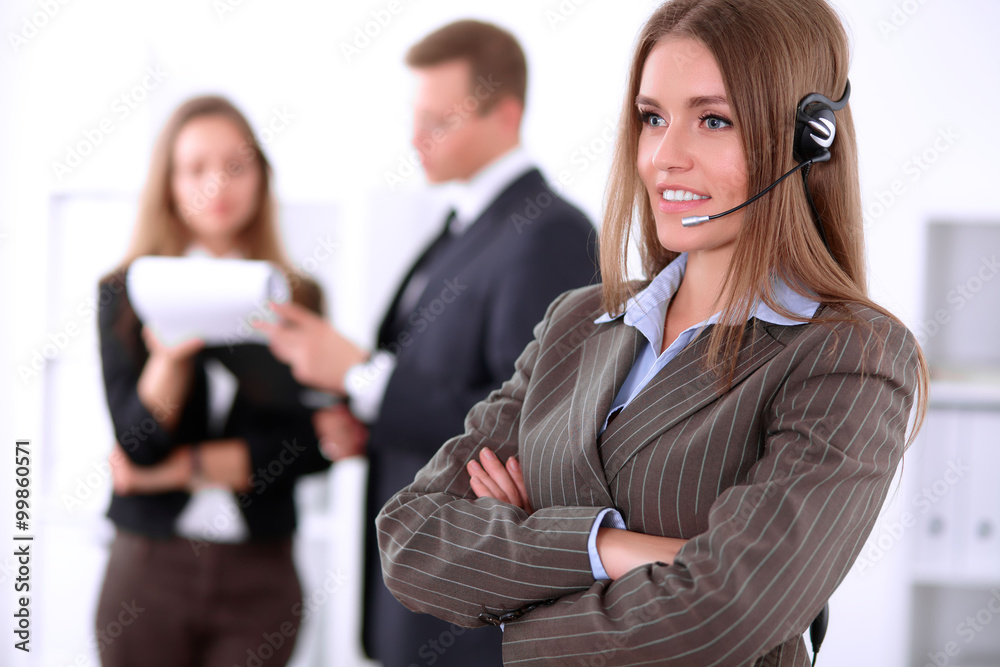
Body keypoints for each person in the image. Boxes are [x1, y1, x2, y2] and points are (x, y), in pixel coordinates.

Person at [375, 1, 929, 664]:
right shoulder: (578, 320)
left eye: (714, 119)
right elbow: (412, 536)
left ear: (807, 139)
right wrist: (615, 546)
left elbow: (724, 611)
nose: (664, 157)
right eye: (652, 118)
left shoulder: (851, 356)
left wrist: (514, 595)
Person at [257, 20, 599, 667]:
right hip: (424, 599)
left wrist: (363, 375)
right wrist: (369, 418)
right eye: (418, 117)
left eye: (441, 119)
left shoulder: (549, 233)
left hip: (471, 610)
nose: (417, 138)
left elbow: (532, 426)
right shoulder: (463, 222)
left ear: (507, 114)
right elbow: (448, 392)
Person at [95, 95, 331, 667]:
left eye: (236, 165)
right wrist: (169, 358)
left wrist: (182, 470)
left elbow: (312, 444)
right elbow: (137, 448)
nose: (216, 185)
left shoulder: (298, 296)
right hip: (149, 571)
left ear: (260, 176)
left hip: (261, 573)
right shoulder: (127, 294)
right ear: (169, 183)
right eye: (195, 168)